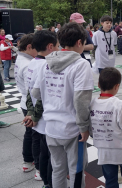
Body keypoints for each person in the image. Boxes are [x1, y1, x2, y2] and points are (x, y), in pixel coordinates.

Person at [31, 22, 94, 188]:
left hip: (50, 128)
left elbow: (36, 93)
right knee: (76, 169)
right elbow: (81, 100)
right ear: (79, 43)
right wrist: (84, 127)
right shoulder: (81, 64)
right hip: (72, 129)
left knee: (58, 169)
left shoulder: (47, 63)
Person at [24, 30, 59, 187]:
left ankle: (45, 179)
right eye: (58, 46)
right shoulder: (46, 65)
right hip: (44, 120)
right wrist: (35, 116)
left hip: (37, 119)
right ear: (50, 46)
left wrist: (31, 114)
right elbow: (42, 97)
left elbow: (29, 92)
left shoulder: (31, 63)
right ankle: (49, 182)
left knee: (42, 152)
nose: (59, 49)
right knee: (50, 156)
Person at [90, 67, 122, 188]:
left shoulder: (92, 104)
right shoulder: (120, 105)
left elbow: (91, 129)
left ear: (98, 84)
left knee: (110, 179)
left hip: (104, 151)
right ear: (117, 86)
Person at [15, 34, 37, 174]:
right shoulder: (29, 64)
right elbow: (33, 92)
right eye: (37, 48)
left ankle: (28, 161)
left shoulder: (20, 58)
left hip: (25, 103)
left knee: (30, 134)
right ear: (29, 47)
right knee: (35, 136)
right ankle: (35, 165)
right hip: (30, 105)